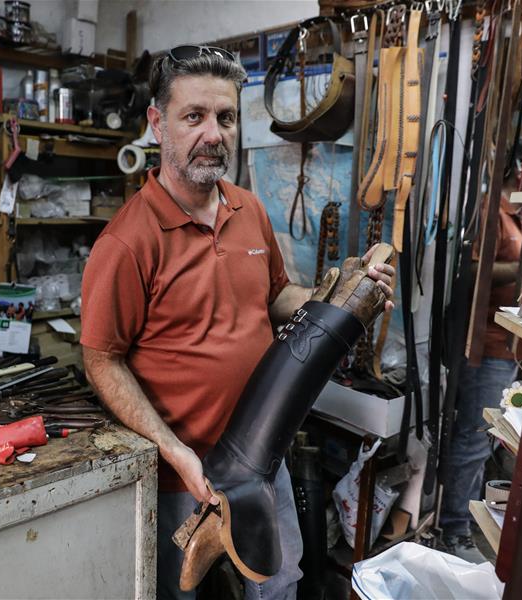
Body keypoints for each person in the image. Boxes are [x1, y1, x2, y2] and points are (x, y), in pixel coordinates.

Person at [79, 45, 394, 599]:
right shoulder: (127, 242)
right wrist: (173, 451)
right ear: (158, 124)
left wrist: (341, 307)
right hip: (183, 472)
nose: (213, 133)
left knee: (279, 585)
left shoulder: (248, 209)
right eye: (194, 116)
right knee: (180, 594)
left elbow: (273, 295)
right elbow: (102, 358)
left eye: (225, 118)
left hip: (260, 455)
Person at [440, 191, 522, 563]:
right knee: (475, 439)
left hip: (516, 347)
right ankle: (454, 527)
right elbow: (473, 271)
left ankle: (467, 517)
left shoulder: (519, 215)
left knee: (493, 438)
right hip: (489, 345)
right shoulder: (489, 208)